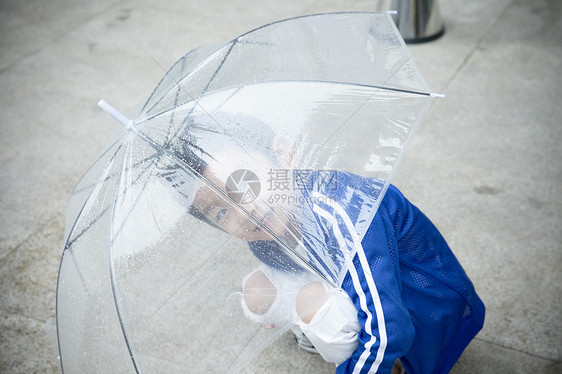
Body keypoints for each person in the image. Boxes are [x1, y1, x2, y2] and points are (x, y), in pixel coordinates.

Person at [167, 125, 485, 374]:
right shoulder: (267, 229)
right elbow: (295, 267)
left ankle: (380, 362)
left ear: (283, 155)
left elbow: (392, 328)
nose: (244, 212)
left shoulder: (346, 213)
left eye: (244, 182)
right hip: (366, 287)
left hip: (427, 313)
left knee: (313, 302)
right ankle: (326, 329)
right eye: (221, 213)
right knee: (258, 291)